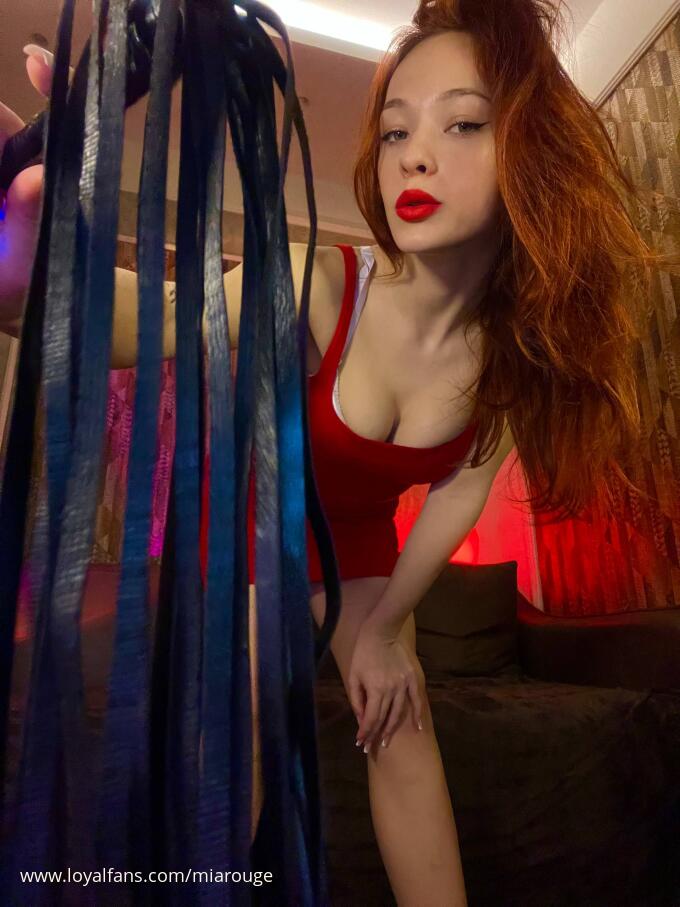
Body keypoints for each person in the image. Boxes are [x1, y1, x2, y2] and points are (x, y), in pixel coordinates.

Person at [1, 2, 669, 904]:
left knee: (402, 717)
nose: (413, 157)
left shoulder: (512, 361)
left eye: (462, 123)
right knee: (243, 725)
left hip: (354, 541)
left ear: (531, 152)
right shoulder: (316, 282)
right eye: (395, 131)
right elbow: (152, 320)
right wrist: (40, 273)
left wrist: (388, 631)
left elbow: (458, 495)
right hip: (246, 523)